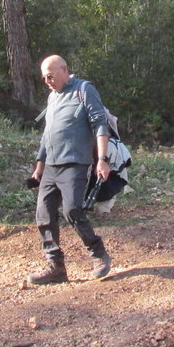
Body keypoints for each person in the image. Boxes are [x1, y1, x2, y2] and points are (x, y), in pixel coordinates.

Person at [27, 55, 113, 284]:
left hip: (75, 162)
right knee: (43, 214)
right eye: (44, 77)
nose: (47, 81)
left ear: (64, 70)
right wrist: (39, 165)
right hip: (51, 166)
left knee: (72, 210)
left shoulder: (84, 89)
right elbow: (48, 134)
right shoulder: (52, 97)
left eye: (51, 76)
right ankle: (56, 267)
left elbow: (99, 124)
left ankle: (98, 254)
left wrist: (102, 159)